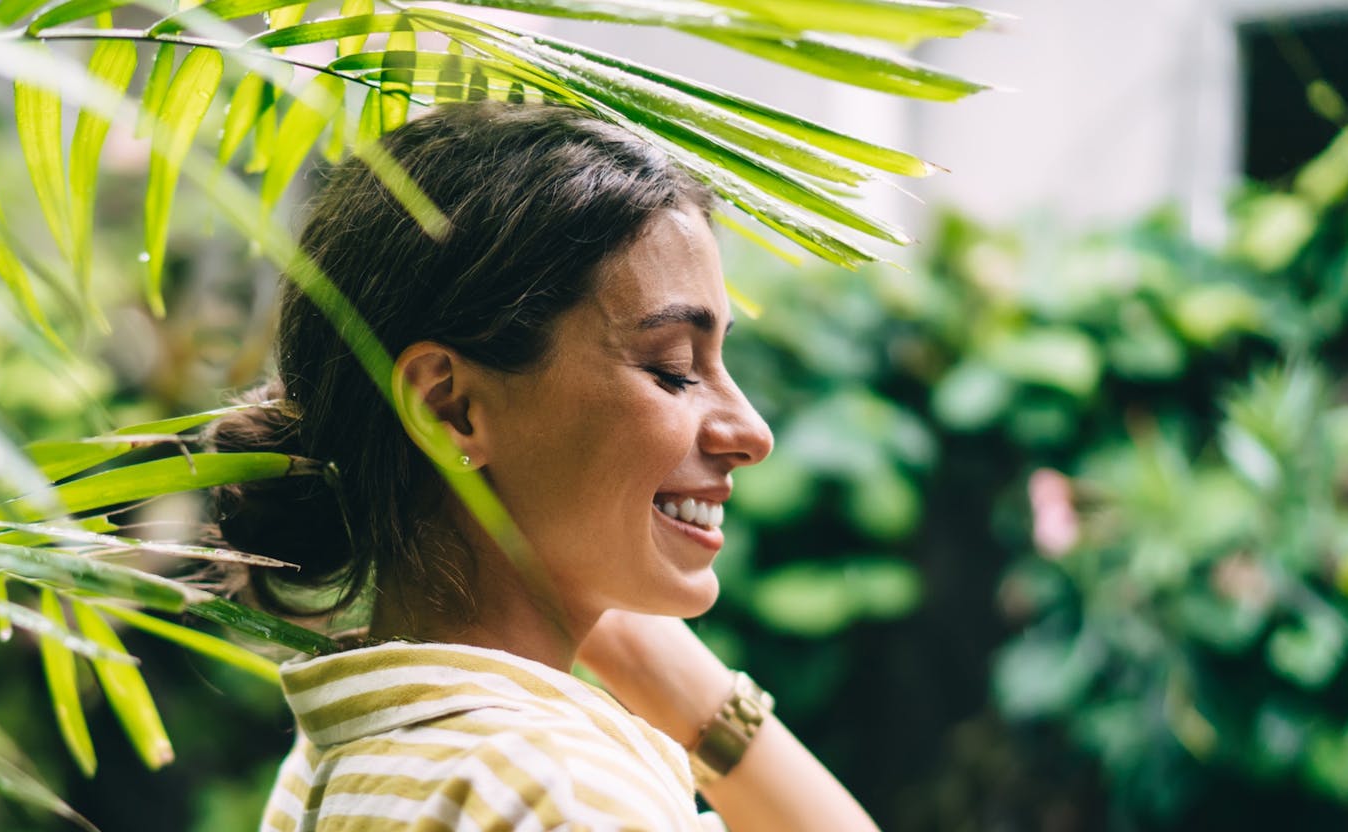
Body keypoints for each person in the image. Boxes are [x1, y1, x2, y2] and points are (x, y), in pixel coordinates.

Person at [207, 101, 879, 831]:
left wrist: (679, 684)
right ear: (449, 407)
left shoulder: (344, 763)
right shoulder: (560, 792)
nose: (751, 432)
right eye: (675, 369)